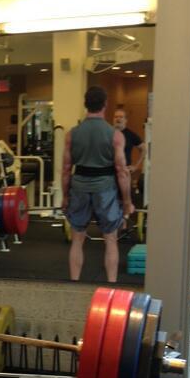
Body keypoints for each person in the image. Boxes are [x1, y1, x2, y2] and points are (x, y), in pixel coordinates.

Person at [61, 86, 134, 282]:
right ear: (105, 104)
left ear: (86, 104)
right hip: (105, 189)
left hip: (79, 187)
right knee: (110, 238)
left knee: (77, 239)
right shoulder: (115, 135)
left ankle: (74, 282)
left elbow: (66, 169)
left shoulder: (72, 134)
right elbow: (122, 171)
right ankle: (111, 284)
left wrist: (65, 196)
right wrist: (127, 202)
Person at [113, 107, 147, 199]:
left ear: (126, 120)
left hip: (124, 172)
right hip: (108, 173)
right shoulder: (108, 133)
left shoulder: (131, 135)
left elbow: (144, 149)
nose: (118, 119)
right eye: (116, 117)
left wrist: (136, 166)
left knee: (125, 199)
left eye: (121, 117)